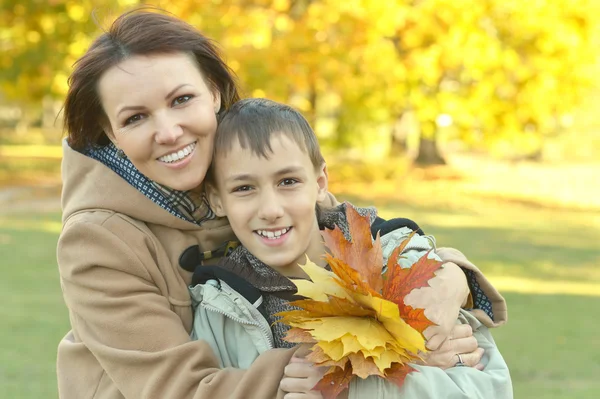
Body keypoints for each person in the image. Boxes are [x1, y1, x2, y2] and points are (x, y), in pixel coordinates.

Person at [57, 8, 507, 399]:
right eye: (135, 118)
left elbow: (353, 231)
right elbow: (179, 390)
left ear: (213, 92)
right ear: (111, 133)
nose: (169, 130)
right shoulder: (96, 240)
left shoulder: (247, 167)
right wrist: (384, 348)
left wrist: (449, 278)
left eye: (182, 100)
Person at [201, 98, 512, 398]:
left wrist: (359, 389)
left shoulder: (399, 262)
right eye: (244, 188)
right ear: (217, 199)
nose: (270, 209)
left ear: (320, 182)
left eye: (288, 182)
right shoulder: (219, 307)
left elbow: (488, 390)